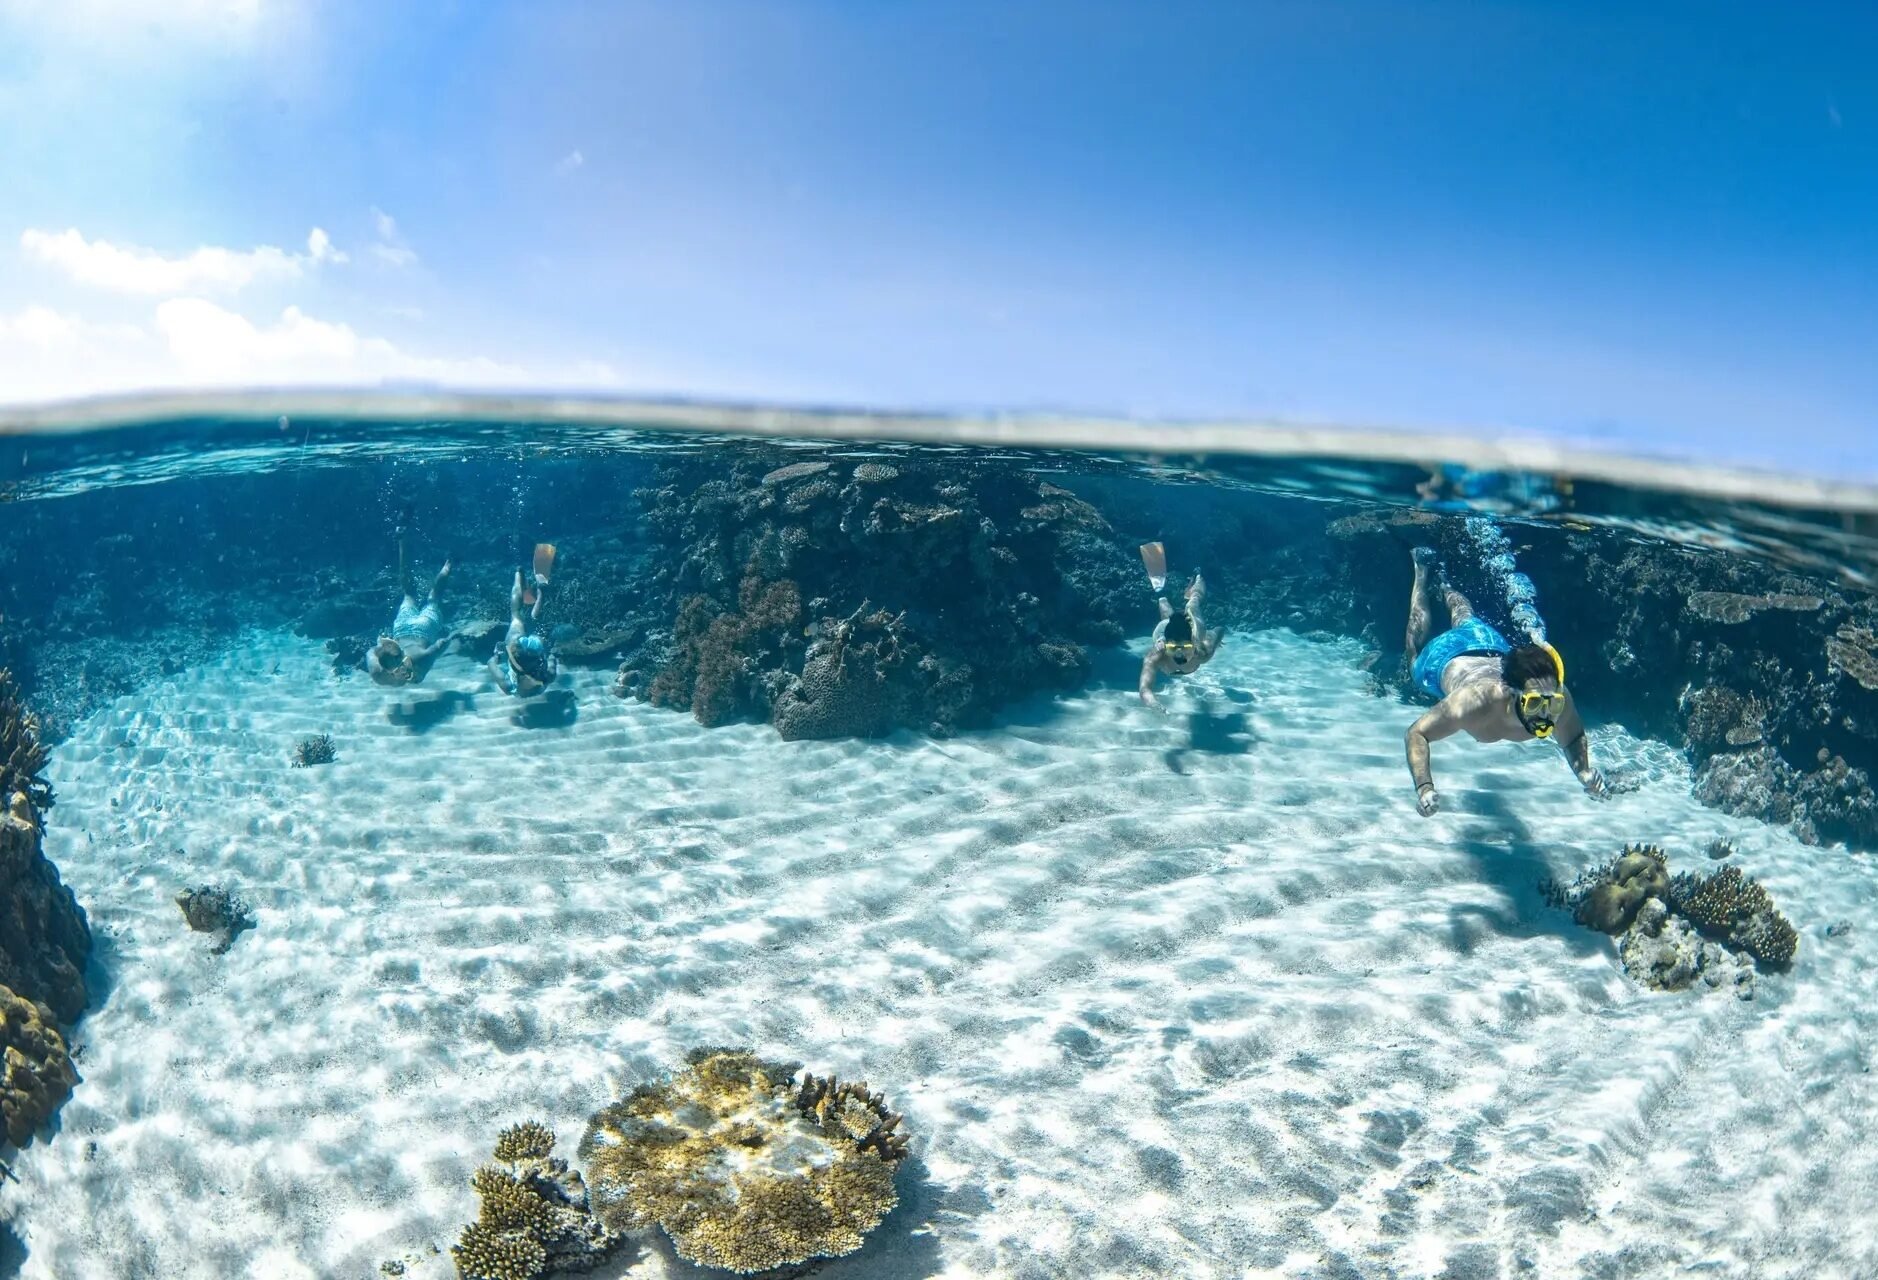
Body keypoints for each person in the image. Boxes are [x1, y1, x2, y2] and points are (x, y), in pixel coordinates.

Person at [1402, 547, 1606, 815]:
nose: (1546, 714)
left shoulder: (1558, 696)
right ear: (1512, 693)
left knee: (1465, 616)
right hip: (1441, 658)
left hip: (1490, 644)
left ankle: (1446, 585)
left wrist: (1584, 772)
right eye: (1534, 703)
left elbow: (1572, 737)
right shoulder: (1472, 704)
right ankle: (1423, 572)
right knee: (1414, 648)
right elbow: (1416, 732)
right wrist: (1425, 787)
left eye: (1551, 704)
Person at [366, 534, 454, 686]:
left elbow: (440, 645)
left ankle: (449, 564)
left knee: (433, 598)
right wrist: (381, 645)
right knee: (410, 593)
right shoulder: (377, 672)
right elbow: (371, 652)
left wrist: (449, 638)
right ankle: (403, 540)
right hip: (401, 629)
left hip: (424, 629)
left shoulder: (419, 662)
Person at [1138, 571, 1224, 709]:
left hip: (1192, 629)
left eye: (1184, 647)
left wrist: (1217, 640)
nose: (1179, 653)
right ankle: (1161, 597)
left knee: (1192, 605)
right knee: (1167, 620)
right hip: (1163, 630)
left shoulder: (1203, 652)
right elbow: (1144, 689)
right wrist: (1154, 704)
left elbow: (1219, 630)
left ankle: (1198, 576)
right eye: (1172, 647)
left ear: (1194, 644)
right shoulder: (1155, 656)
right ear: (1166, 645)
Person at [490, 567, 559, 697]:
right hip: (516, 647)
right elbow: (491, 663)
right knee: (516, 613)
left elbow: (552, 659)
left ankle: (540, 594)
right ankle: (518, 575)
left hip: (536, 649)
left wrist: (550, 651)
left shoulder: (547, 678)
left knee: (536, 622)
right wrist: (497, 654)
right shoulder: (508, 686)